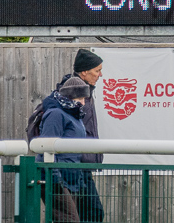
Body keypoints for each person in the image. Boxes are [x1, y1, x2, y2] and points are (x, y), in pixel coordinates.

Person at [37, 76, 90, 223]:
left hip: (69, 179)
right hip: (56, 179)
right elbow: (45, 147)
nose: (84, 103)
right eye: (81, 98)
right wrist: (56, 179)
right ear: (71, 97)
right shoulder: (56, 114)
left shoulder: (74, 116)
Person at [73, 49, 104, 223]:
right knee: (93, 213)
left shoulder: (85, 92)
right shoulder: (76, 92)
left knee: (87, 213)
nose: (100, 74)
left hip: (81, 164)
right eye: (97, 70)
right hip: (75, 165)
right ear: (84, 71)